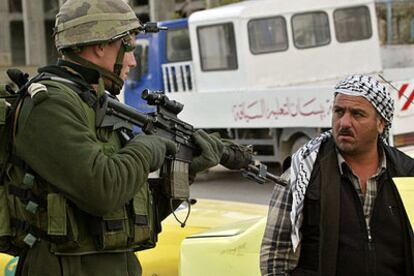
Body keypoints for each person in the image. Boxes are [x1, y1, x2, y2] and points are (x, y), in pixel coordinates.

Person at [4, 0, 224, 275]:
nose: (132, 60)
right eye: (128, 48)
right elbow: (104, 190)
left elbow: (133, 217)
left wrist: (185, 171)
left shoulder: (95, 103)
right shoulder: (49, 103)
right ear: (100, 46)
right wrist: (148, 147)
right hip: (67, 267)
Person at [260, 74, 414, 275]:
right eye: (339, 112)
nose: (344, 122)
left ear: (381, 124)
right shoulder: (301, 173)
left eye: (357, 114)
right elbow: (275, 258)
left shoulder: (407, 173)